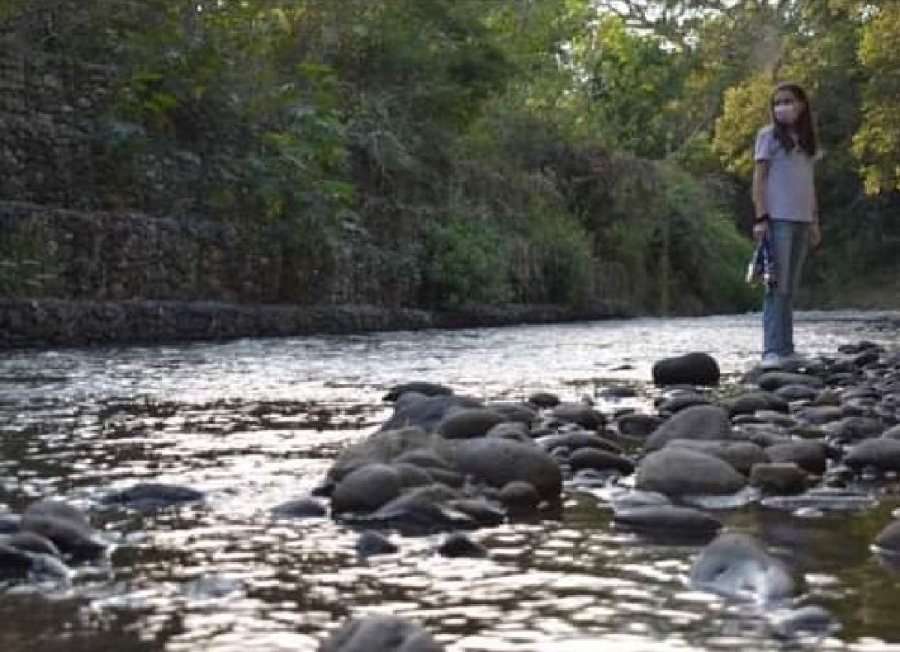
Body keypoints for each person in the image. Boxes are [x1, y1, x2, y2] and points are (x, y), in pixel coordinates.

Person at [751, 81, 821, 369]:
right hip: (777, 219)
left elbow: (810, 183)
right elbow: (759, 179)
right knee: (775, 286)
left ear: (801, 105)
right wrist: (761, 217)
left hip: (802, 219)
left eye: (788, 101)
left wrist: (815, 220)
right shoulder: (768, 136)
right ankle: (771, 350)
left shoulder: (807, 141)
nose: (782, 107)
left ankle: (787, 349)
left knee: (789, 288)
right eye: (777, 102)